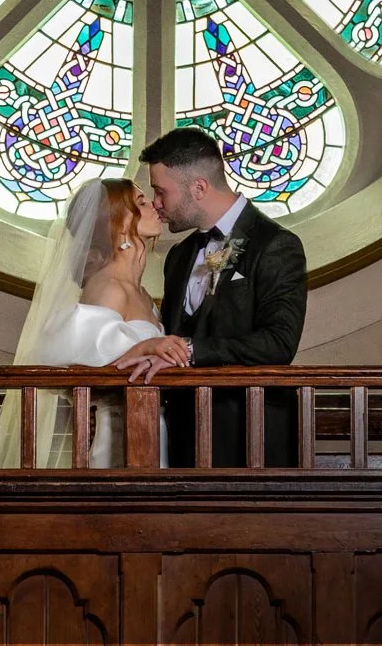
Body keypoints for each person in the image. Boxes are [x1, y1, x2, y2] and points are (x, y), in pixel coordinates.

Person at [113, 127, 308, 467]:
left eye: (161, 192)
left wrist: (190, 350)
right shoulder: (179, 256)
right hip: (181, 440)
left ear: (199, 188)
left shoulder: (275, 245)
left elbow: (278, 343)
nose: (156, 204)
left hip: (250, 440)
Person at [0, 176, 165, 467]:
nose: (155, 205)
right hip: (121, 443)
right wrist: (149, 348)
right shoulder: (108, 287)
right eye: (141, 203)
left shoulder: (141, 293)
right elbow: (83, 372)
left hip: (154, 429)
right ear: (116, 223)